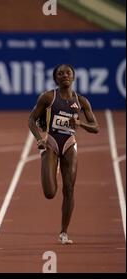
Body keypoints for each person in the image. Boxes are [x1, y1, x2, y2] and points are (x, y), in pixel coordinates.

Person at [28, 64, 99, 244]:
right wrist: (39, 139)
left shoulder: (81, 101)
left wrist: (80, 124)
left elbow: (96, 128)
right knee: (50, 193)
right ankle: (47, 161)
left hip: (69, 144)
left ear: (73, 77)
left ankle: (64, 233)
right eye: (60, 74)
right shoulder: (48, 97)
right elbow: (31, 119)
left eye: (68, 73)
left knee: (69, 189)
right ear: (56, 79)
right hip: (51, 143)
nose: (64, 76)